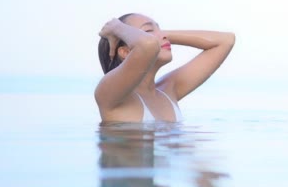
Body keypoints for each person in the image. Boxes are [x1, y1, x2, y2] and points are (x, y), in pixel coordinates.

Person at [95, 13, 235, 123]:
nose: (164, 36)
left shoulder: (168, 91)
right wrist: (115, 27)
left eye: (161, 30)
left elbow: (225, 40)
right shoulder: (110, 94)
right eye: (148, 30)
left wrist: (159, 34)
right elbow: (147, 45)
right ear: (125, 52)